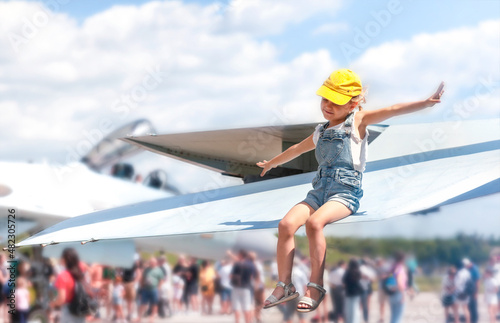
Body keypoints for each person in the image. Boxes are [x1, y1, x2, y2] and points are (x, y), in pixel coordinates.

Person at [259, 69, 444, 312]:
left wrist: (425, 103)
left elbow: (392, 109)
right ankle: (285, 285)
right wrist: (272, 162)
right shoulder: (320, 131)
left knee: (315, 224)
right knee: (285, 225)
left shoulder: (357, 121)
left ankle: (315, 286)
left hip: (345, 191)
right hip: (319, 190)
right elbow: (296, 148)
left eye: (336, 102)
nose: (328, 106)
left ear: (352, 104)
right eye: (325, 99)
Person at [50, 248, 92, 323]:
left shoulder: (63, 276)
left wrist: (53, 303)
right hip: (81, 309)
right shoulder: (79, 274)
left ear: (64, 259)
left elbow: (61, 299)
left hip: (69, 311)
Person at [230, 250, 257, 323]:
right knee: (247, 307)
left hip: (236, 287)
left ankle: (237, 321)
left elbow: (231, 276)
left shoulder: (237, 264)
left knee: (237, 307)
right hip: (246, 288)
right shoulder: (251, 265)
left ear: (241, 255)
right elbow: (253, 276)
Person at [136, 257, 165, 323]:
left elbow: (161, 280)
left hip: (154, 289)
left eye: (152, 262)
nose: (151, 263)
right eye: (150, 262)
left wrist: (159, 288)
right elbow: (142, 278)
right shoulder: (146, 269)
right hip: (145, 289)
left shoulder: (159, 270)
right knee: (143, 303)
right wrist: (141, 285)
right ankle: (139, 317)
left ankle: (152, 317)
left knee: (154, 304)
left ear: (155, 263)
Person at [388, 252, 407, 323]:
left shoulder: (392, 267)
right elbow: (399, 282)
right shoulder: (400, 268)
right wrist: (403, 295)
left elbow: (389, 279)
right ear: (402, 259)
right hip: (398, 293)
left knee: (393, 317)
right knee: (398, 318)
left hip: (391, 292)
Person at [343, 259, 363, 323]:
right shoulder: (358, 272)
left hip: (348, 292)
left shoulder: (347, 272)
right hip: (356, 292)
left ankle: (348, 321)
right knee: (355, 308)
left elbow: (344, 281)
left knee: (348, 309)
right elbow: (358, 281)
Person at [463, 258, 480, 323]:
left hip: (473, 290)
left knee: (474, 306)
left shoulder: (474, 269)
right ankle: (470, 319)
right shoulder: (468, 269)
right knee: (469, 305)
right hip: (469, 290)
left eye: (466, 265)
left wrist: (476, 292)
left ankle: (474, 320)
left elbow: (478, 281)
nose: (465, 266)